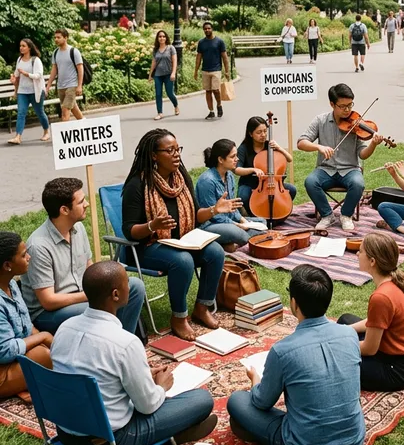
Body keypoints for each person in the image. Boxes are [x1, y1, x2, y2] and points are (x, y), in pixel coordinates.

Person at [52, 262, 216, 445]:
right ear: (115, 295)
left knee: (146, 394)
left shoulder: (64, 328)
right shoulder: (125, 343)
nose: (130, 286)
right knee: (202, 399)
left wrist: (142, 376)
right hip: (111, 441)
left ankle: (169, 433)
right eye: (126, 282)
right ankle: (168, 436)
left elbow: (93, 374)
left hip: (66, 433)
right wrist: (161, 387)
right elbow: (147, 406)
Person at [227, 265, 365, 445]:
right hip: (353, 441)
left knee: (238, 400)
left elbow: (261, 402)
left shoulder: (282, 351)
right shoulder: (349, 335)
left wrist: (254, 379)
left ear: (294, 303)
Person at [122, 129, 238, 340]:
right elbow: (129, 230)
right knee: (183, 261)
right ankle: (179, 317)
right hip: (146, 247)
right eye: (170, 150)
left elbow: (195, 215)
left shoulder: (181, 178)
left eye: (178, 149)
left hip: (182, 240)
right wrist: (152, 225)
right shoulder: (137, 185)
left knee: (216, 252)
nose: (177, 155)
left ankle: (202, 307)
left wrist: (214, 209)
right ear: (154, 155)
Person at [21, 178, 145, 335]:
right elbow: (48, 301)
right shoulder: (38, 246)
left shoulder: (78, 228)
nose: (86, 204)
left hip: (82, 298)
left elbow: (89, 268)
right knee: (101, 309)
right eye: (81, 202)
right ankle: (111, 344)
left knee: (134, 286)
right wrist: (90, 296)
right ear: (64, 210)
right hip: (49, 314)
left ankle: (123, 341)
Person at [337, 233, 404, 391]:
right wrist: (345, 331)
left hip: (399, 369)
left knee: (336, 359)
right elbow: (376, 321)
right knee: (345, 321)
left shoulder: (381, 297)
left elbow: (369, 349)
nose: (357, 254)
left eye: (361, 251)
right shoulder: (398, 279)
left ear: (372, 261)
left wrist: (339, 345)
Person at [299, 84, 383, 232]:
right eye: (343, 106)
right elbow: (301, 142)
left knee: (358, 184)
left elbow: (363, 154)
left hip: (350, 169)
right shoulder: (320, 120)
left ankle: (346, 215)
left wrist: (373, 145)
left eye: (350, 105)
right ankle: (327, 215)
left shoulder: (357, 124)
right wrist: (319, 147)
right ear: (332, 104)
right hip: (325, 169)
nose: (347, 110)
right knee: (310, 182)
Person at [0, 232, 53, 399]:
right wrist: (44, 337)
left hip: (14, 360)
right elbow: (5, 351)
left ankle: (26, 383)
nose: (29, 257)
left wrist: (51, 343)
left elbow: (26, 326)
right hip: (2, 367)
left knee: (53, 350)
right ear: (8, 265)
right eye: (23, 255)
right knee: (44, 356)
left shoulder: (12, 286)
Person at [196, 139, 269, 251]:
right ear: (220, 159)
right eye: (233, 156)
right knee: (239, 234)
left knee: (262, 222)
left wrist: (243, 221)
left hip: (228, 221)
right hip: (210, 224)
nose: (237, 159)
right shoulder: (207, 181)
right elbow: (214, 215)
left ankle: (228, 244)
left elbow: (233, 207)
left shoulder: (229, 176)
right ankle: (230, 242)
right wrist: (237, 225)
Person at [235, 116, 297, 220]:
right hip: (250, 184)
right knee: (243, 196)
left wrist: (279, 148)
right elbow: (236, 169)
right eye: (259, 132)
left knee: (292, 190)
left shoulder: (270, 146)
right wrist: (253, 169)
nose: (263, 135)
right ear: (250, 134)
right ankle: (254, 215)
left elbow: (289, 159)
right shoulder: (244, 148)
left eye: (265, 131)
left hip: (272, 183)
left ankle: (278, 212)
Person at [8, 37, 50, 145]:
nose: (21, 48)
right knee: (21, 113)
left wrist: (26, 74)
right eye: (20, 46)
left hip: (36, 91)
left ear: (29, 48)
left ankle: (46, 131)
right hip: (23, 92)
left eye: (23, 46)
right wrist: (14, 82)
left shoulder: (35, 60)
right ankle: (18, 137)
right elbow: (17, 76)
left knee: (40, 112)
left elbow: (39, 75)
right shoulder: (19, 60)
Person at [44, 28, 84, 122]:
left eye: (59, 37)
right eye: (55, 37)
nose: (56, 39)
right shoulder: (55, 53)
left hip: (72, 85)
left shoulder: (74, 51)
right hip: (61, 86)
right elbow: (54, 70)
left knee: (65, 110)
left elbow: (80, 69)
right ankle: (84, 123)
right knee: (73, 108)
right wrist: (48, 85)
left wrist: (79, 86)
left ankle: (63, 134)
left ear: (65, 38)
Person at [194, 22, 229, 120]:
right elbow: (198, 57)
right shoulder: (201, 43)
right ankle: (211, 111)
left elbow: (225, 57)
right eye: (205, 29)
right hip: (205, 70)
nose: (207, 30)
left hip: (216, 70)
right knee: (208, 91)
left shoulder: (219, 41)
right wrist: (196, 71)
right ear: (203, 30)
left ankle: (219, 104)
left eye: (209, 28)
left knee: (216, 90)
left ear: (212, 29)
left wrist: (227, 71)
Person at [148, 30, 179, 121]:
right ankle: (160, 113)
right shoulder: (155, 50)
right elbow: (154, 62)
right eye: (160, 37)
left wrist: (173, 73)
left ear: (166, 38)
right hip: (158, 75)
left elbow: (175, 61)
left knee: (170, 93)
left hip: (168, 74)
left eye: (163, 36)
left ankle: (176, 105)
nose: (162, 38)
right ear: (157, 38)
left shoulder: (171, 48)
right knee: (158, 94)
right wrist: (150, 75)